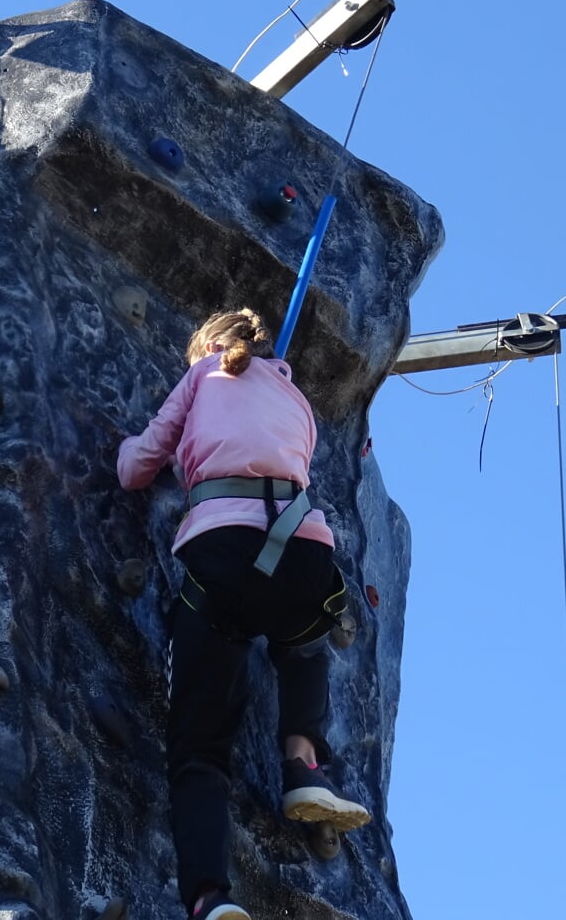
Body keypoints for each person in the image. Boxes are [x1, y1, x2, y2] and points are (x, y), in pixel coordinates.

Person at [116, 309, 372, 920]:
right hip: (306, 552)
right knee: (301, 640)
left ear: (207, 346)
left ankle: (210, 898)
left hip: (225, 560)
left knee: (199, 748)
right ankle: (305, 761)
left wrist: (131, 447)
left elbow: (135, 468)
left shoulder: (202, 376)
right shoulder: (296, 399)